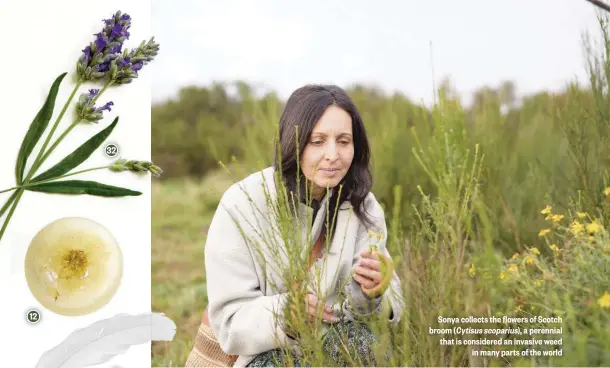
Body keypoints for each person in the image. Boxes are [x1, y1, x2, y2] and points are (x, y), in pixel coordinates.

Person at [202, 84, 404, 367]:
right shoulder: (242, 204)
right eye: (317, 141)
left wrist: (374, 292)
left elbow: (381, 307)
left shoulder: (363, 205)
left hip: (338, 339)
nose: (333, 154)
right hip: (269, 351)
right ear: (292, 143)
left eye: (344, 141)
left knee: (371, 351)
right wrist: (285, 313)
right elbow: (229, 322)